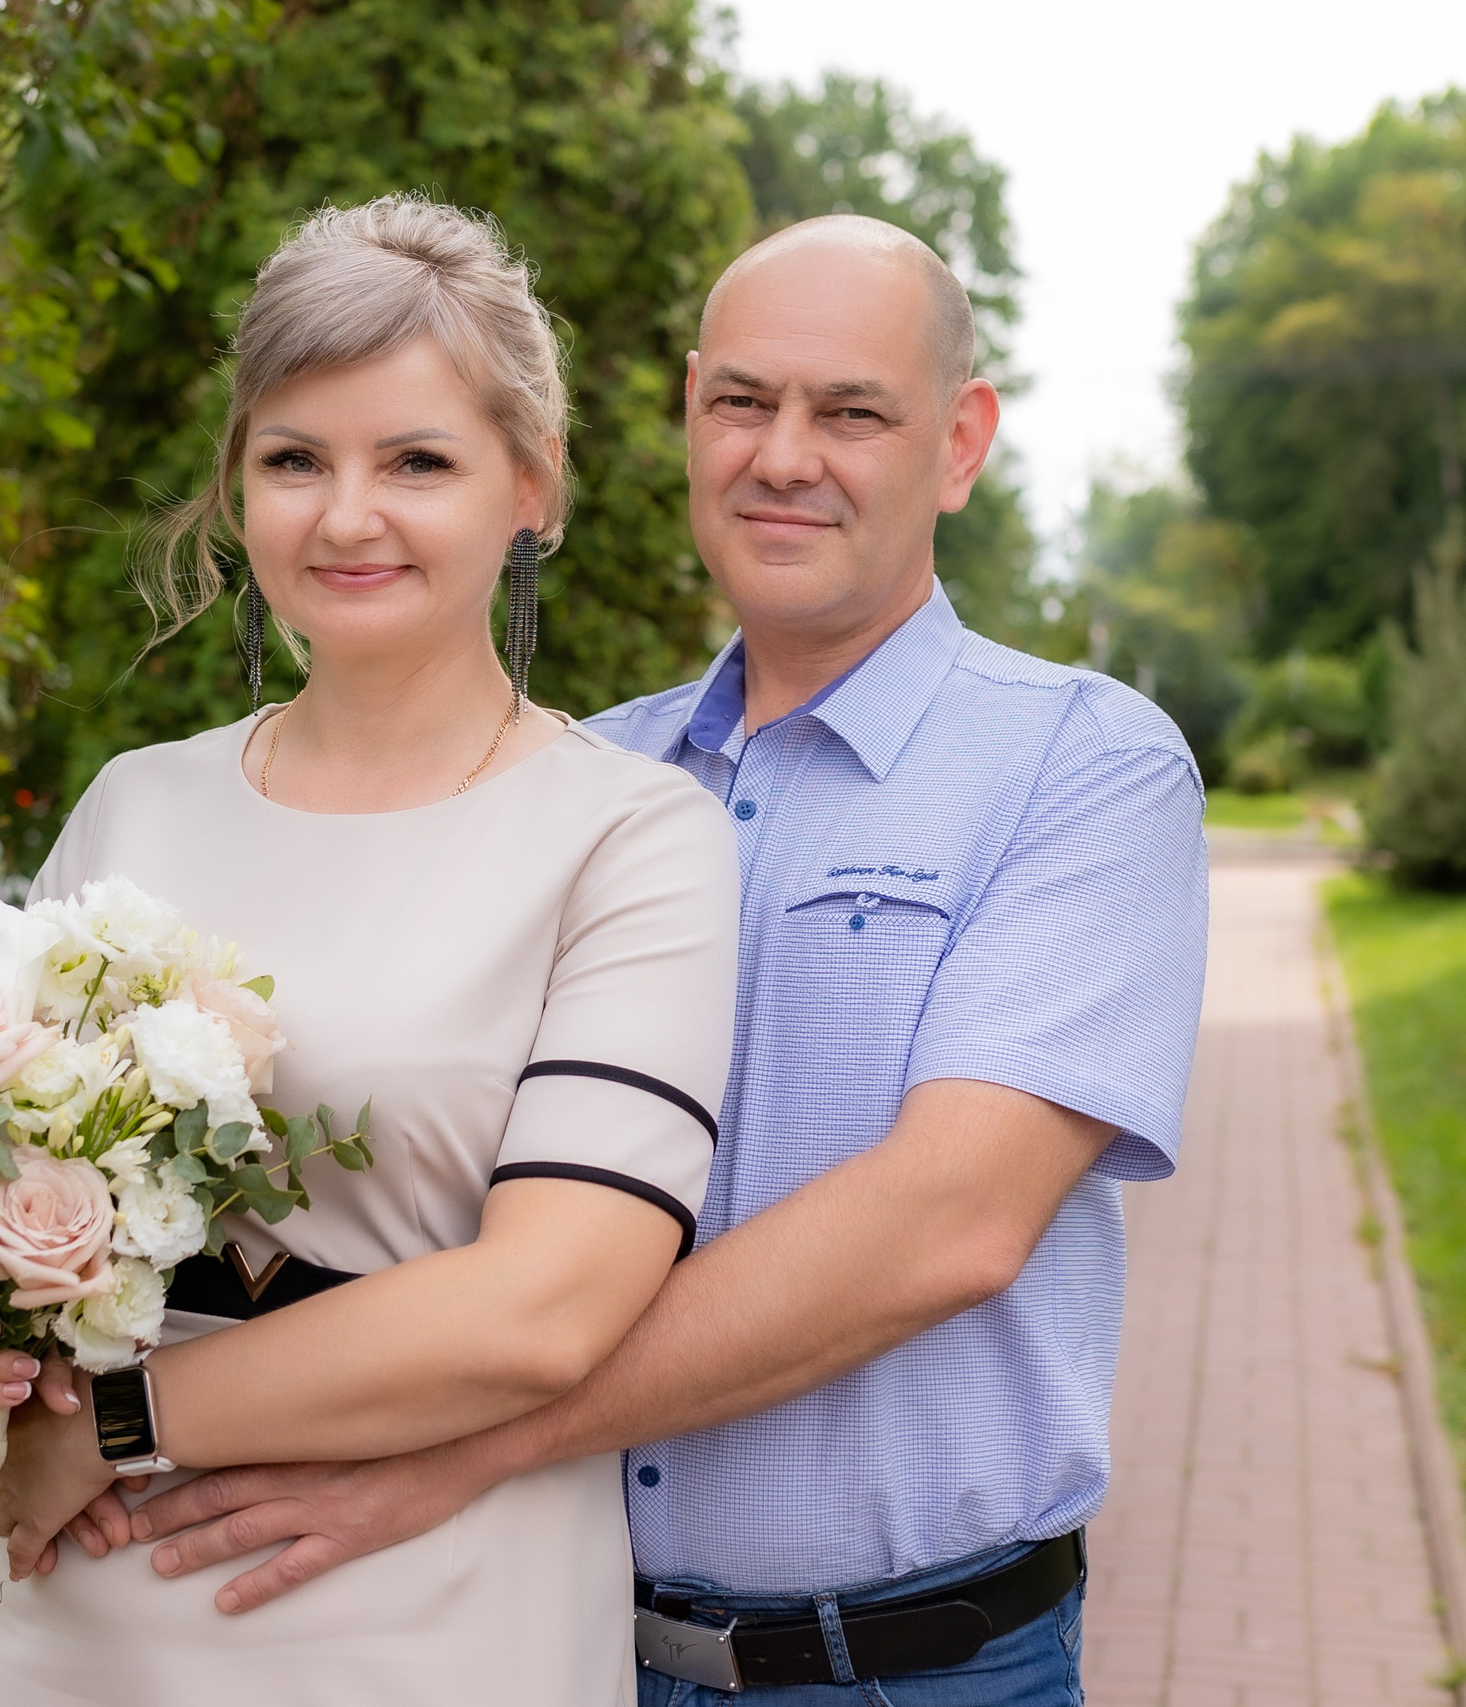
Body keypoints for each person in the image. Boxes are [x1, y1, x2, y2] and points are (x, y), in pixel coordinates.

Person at [98, 215, 1213, 1703]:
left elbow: (946, 1224)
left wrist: (448, 1449)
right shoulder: (571, 784)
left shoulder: (1083, 767)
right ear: (689, 416)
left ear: (960, 444)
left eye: (852, 412)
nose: (783, 454)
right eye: (742, 402)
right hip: (551, 1632)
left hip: (901, 1666)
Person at [0, 194, 740, 1706]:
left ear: (531, 488)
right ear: (236, 489)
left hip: (426, 1612)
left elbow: (547, 1308)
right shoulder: (138, 800)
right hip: (83, 1615)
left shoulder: (632, 837)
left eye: (417, 460)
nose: (347, 516)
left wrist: (119, 1423)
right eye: (295, 460)